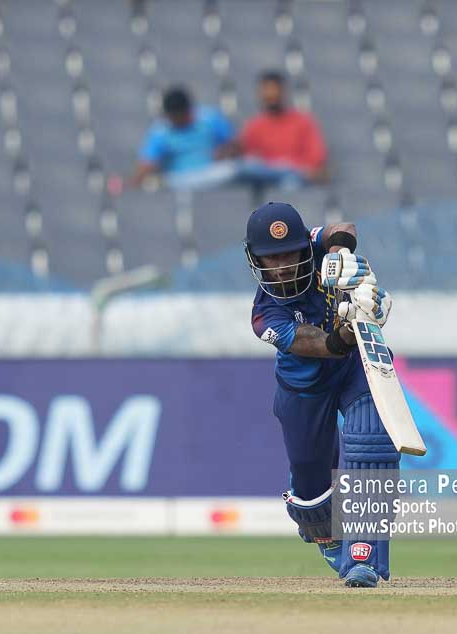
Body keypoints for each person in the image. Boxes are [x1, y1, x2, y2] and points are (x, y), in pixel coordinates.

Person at [245, 202, 396, 588]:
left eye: (288, 254)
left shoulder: (314, 246)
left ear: (303, 245)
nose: (282, 266)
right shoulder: (265, 316)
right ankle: (326, 535)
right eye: (271, 258)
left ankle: (364, 557)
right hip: (305, 388)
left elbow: (343, 227)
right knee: (312, 495)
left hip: (355, 368)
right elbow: (323, 344)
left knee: (371, 441)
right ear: (256, 260)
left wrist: (340, 255)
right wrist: (350, 324)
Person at [130, 86, 240, 191]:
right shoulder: (160, 132)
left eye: (181, 115)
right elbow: (148, 163)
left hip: (212, 175)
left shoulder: (211, 119)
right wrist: (134, 183)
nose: (178, 120)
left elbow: (235, 146)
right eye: (174, 117)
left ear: (189, 110)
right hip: (179, 179)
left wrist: (224, 153)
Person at [238, 71, 328, 190]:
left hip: (294, 175)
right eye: (266, 91)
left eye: (274, 90)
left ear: (283, 92)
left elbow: (316, 159)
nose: (271, 95)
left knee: (290, 183)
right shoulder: (254, 125)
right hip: (263, 176)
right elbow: (248, 157)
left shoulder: (302, 122)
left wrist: (289, 165)